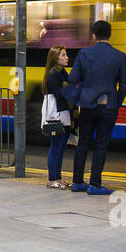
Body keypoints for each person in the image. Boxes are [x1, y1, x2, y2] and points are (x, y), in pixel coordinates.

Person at [68, 19, 126, 194]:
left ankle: (77, 182)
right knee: (101, 145)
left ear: (93, 35)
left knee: (83, 143)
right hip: (108, 106)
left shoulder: (84, 54)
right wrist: (116, 102)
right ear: (110, 35)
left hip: (87, 105)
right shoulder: (119, 56)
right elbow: (124, 84)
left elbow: (73, 80)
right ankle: (95, 184)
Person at [42, 46, 73, 188]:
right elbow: (60, 93)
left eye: (66, 55)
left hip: (63, 111)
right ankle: (51, 179)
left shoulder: (62, 72)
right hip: (57, 113)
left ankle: (58, 178)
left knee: (61, 147)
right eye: (63, 55)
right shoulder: (54, 73)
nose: (67, 58)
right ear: (55, 57)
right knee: (56, 146)